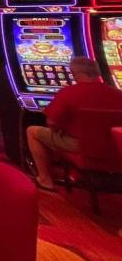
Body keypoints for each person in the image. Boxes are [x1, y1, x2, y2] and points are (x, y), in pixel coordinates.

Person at [26, 56, 122, 192]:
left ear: (75, 73)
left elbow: (52, 123)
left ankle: (44, 179)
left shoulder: (68, 92)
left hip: (82, 145)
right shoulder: (118, 94)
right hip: (116, 146)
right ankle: (74, 174)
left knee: (32, 131)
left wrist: (62, 128)